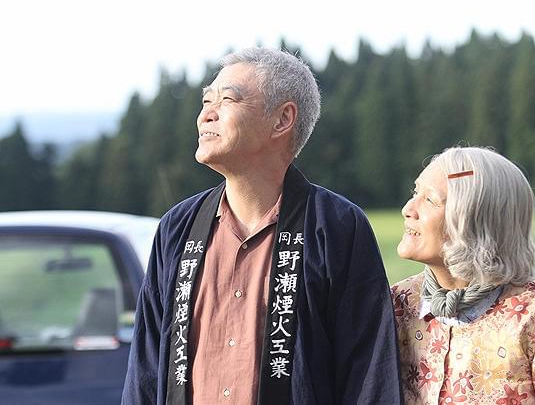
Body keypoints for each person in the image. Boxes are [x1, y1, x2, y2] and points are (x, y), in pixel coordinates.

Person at [122, 48, 402, 404]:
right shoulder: (179, 227)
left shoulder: (334, 226)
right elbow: (144, 371)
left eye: (227, 100)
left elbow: (369, 376)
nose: (206, 115)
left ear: (282, 119)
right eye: (206, 101)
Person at [391, 146, 535, 404]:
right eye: (415, 192)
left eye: (430, 200)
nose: (408, 209)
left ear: (475, 220)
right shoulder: (397, 304)